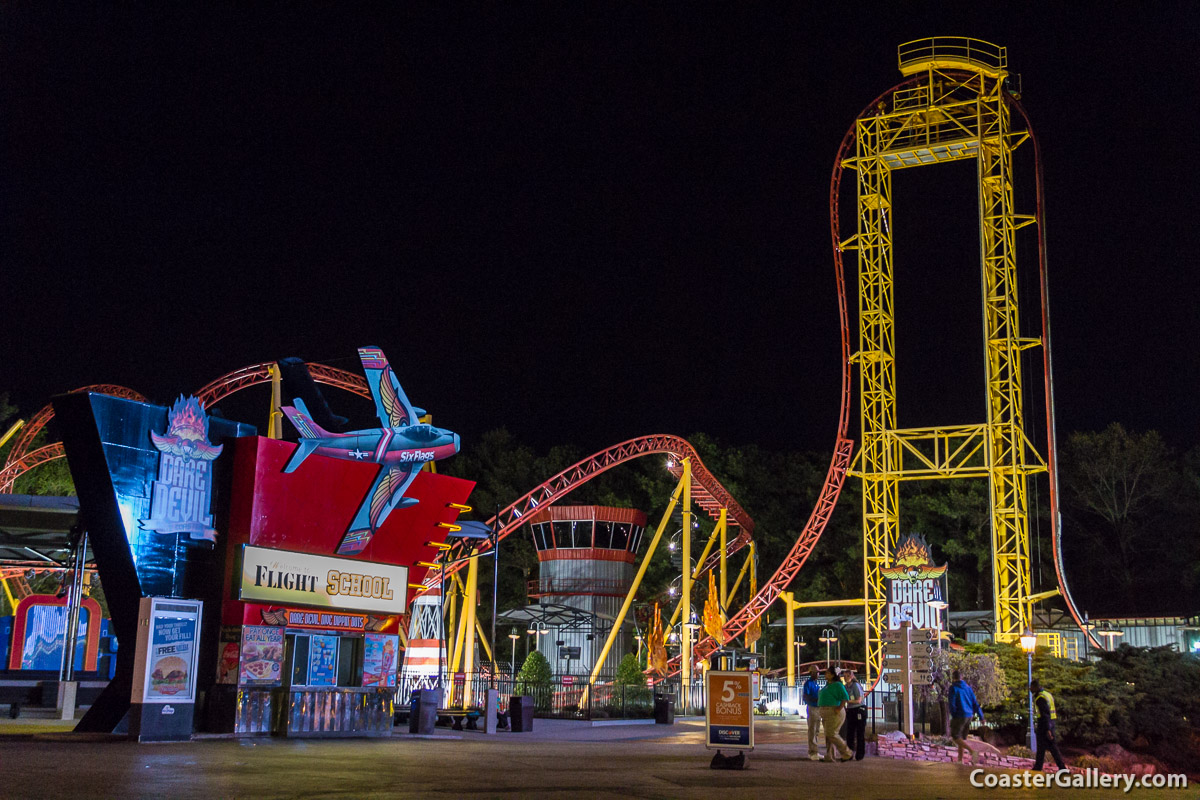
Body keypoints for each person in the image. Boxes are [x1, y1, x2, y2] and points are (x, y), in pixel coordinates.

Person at [946, 669, 986, 763]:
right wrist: (981, 716)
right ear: (962, 677)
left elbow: (952, 703)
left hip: (960, 715)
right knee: (962, 738)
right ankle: (960, 760)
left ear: (953, 678)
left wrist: (954, 714)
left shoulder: (953, 688)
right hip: (969, 716)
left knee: (955, 736)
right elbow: (975, 703)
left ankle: (972, 751)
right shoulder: (968, 688)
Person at [817, 666, 854, 762]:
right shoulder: (828, 685)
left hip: (834, 712)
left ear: (833, 675)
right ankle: (830, 756)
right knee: (828, 735)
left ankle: (847, 753)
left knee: (832, 734)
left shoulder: (838, 685)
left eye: (828, 673)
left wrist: (838, 708)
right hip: (826, 713)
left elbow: (845, 697)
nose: (826, 675)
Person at [1030, 680, 1066, 771]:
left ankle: (1062, 768)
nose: (1030, 689)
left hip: (1044, 725)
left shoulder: (1040, 698)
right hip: (1051, 723)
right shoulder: (1048, 695)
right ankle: (1038, 767)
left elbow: (1045, 714)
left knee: (1051, 747)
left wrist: (1048, 729)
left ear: (1035, 687)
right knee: (1043, 747)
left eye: (1031, 687)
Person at [842, 669, 867, 760]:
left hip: (859, 709)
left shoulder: (855, 686)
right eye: (844, 676)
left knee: (860, 732)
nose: (846, 678)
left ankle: (860, 754)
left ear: (852, 677)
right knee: (850, 733)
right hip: (851, 710)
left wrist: (848, 701)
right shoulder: (845, 687)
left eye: (847, 676)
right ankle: (849, 753)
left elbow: (859, 700)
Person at [801, 665, 823, 760]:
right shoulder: (808, 684)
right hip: (812, 707)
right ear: (812, 673)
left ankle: (815, 751)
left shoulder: (815, 683)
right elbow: (805, 697)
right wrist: (817, 699)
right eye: (817, 672)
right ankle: (812, 752)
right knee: (812, 730)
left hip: (817, 708)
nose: (818, 674)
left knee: (816, 730)